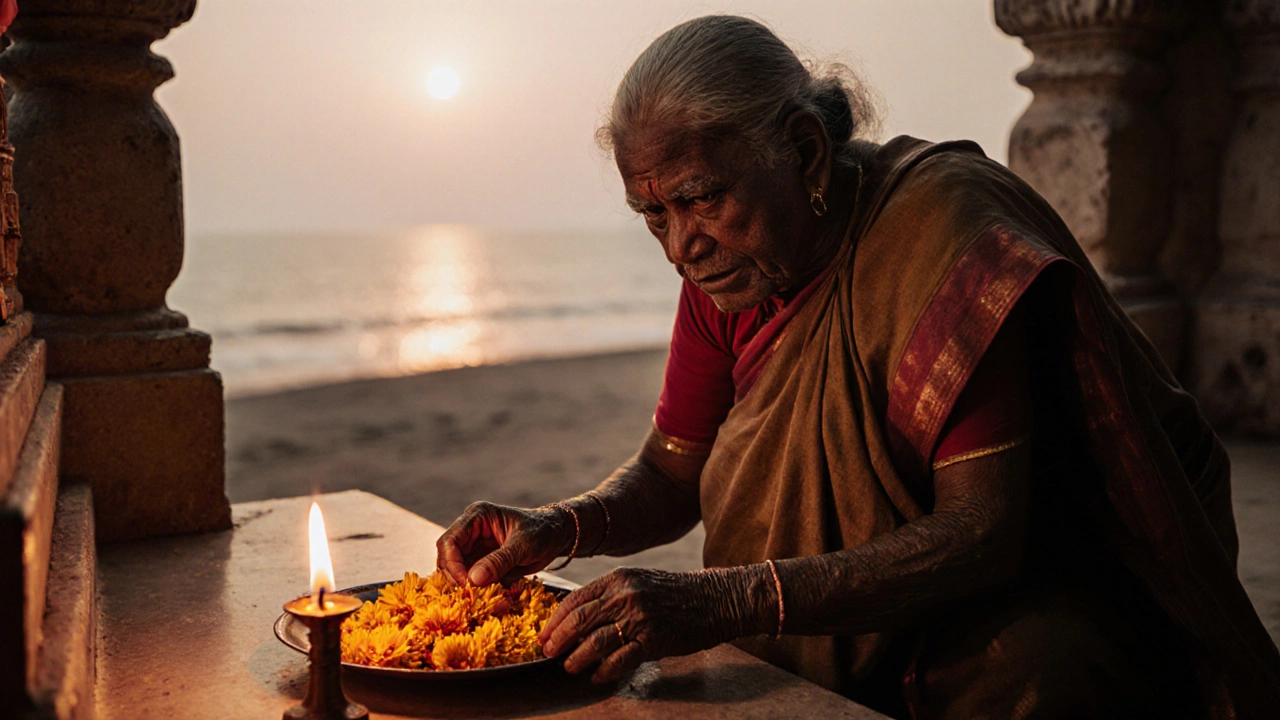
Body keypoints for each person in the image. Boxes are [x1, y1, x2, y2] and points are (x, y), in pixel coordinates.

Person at [437, 15, 1280, 719]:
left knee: (1037, 667)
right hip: (823, 607)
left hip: (1008, 599)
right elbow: (670, 473)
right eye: (651, 213)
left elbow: (985, 536)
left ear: (805, 152)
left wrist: (722, 601)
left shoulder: (939, 233)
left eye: (699, 198)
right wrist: (558, 526)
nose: (680, 246)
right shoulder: (730, 274)